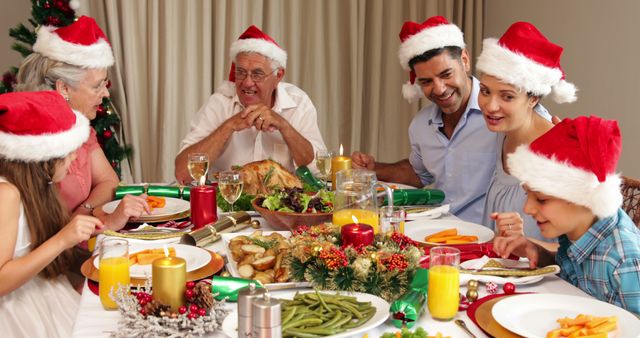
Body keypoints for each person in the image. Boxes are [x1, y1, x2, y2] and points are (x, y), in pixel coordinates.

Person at [352, 16, 498, 224]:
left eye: (446, 74)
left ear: (464, 60)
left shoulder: (499, 114)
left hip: (490, 240)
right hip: (436, 233)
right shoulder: (421, 124)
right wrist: (373, 169)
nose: (439, 89)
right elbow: (418, 173)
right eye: (426, 81)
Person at [493, 116, 640, 315]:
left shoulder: (624, 261)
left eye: (542, 199)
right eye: (528, 195)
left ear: (582, 196)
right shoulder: (578, 229)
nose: (527, 208)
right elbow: (571, 269)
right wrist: (537, 251)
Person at [16, 16, 149, 230]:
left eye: (105, 84)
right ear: (64, 88)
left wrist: (83, 211)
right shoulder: (35, 145)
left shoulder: (82, 130)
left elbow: (109, 181)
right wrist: (93, 222)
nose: (105, 93)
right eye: (97, 86)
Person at [0, 91, 104, 336]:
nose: (73, 158)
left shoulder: (39, 187)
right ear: (41, 158)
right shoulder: (7, 194)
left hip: (42, 292)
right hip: (15, 311)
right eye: (67, 151)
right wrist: (62, 239)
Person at [175, 25, 326, 184]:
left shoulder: (298, 103)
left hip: (284, 205)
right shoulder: (219, 103)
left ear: (278, 75)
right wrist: (229, 126)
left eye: (257, 74)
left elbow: (318, 171)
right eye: (241, 72)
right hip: (228, 204)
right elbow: (183, 174)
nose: (247, 83)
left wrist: (284, 126)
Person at [476, 22, 577, 246]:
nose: (491, 106)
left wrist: (526, 245)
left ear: (534, 99)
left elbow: (580, 254)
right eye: (485, 91)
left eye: (507, 96)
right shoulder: (503, 130)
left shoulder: (556, 153)